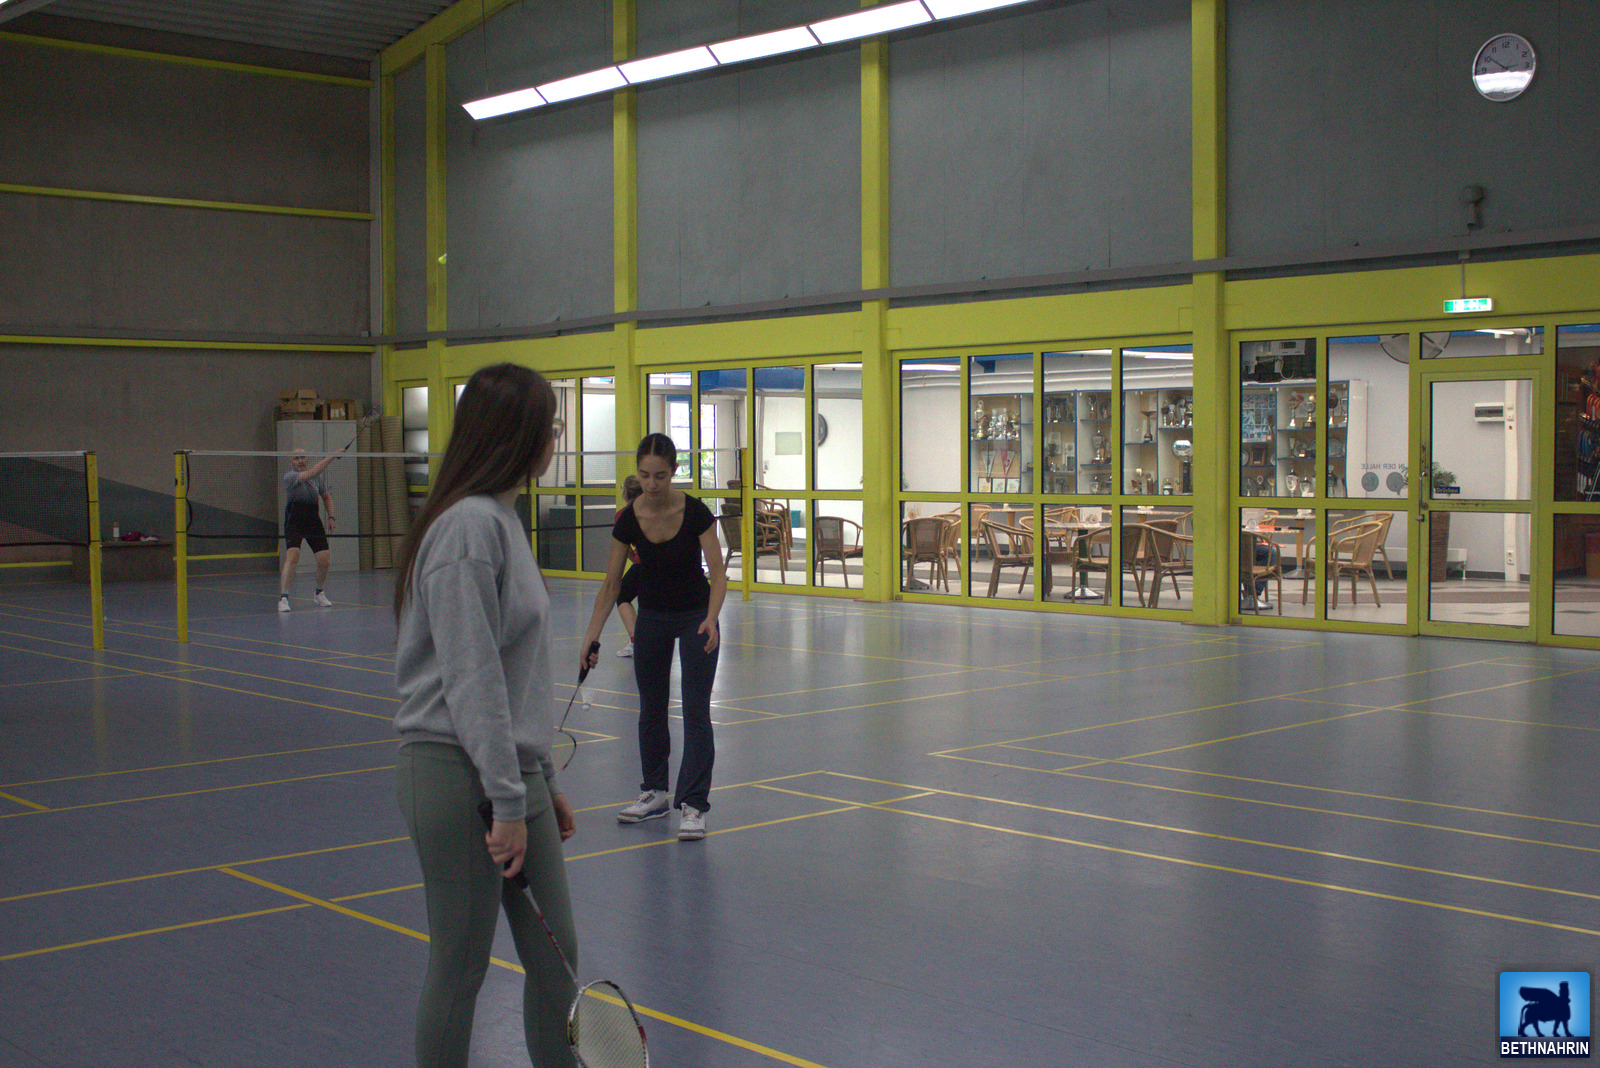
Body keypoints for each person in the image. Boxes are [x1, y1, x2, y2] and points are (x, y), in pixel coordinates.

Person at [391, 363, 578, 1068]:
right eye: (549, 427)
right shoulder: (467, 528)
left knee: (557, 957)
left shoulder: (503, 520)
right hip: (454, 772)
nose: (555, 440)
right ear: (517, 436)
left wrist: (540, 778)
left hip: (509, 774)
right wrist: (506, 798)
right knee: (461, 963)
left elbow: (516, 674)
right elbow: (472, 679)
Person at [582, 433, 726, 841]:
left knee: (695, 711)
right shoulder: (628, 519)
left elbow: (718, 574)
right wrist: (591, 638)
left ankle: (694, 804)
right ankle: (654, 792)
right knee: (651, 709)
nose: (652, 483)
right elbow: (612, 585)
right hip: (653, 619)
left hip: (696, 617)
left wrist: (712, 618)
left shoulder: (696, 512)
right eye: (645, 475)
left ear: (673, 472)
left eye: (660, 475)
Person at [279, 446, 343, 611]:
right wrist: (332, 455)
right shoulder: (290, 477)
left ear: (307, 459)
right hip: (294, 521)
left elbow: (326, 496)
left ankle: (319, 593)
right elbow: (313, 472)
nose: (300, 461)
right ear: (291, 462)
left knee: (324, 560)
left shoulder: (317, 479)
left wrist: (331, 517)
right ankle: (284, 598)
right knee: (293, 556)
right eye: (296, 458)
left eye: (303, 458)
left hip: (313, 521)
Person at [613, 474, 644, 658]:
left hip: (643, 566)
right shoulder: (657, 510)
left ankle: (636, 642)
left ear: (625, 493)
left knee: (621, 595)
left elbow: (624, 549)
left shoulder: (622, 515)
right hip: (665, 564)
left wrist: (636, 558)